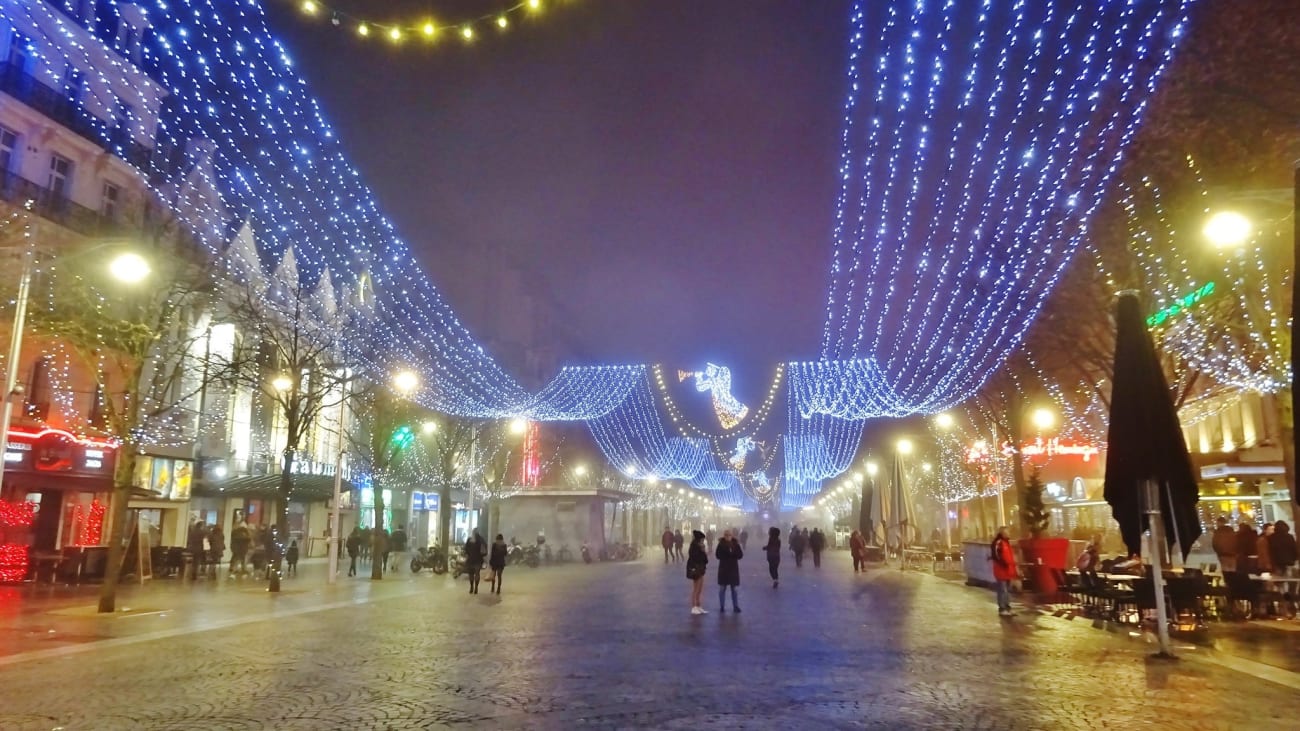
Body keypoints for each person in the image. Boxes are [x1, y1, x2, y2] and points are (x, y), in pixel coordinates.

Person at [990, 526, 1016, 617]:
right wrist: (1004, 564)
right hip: (1001, 570)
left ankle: (1007, 607)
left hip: (1007, 570)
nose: (1009, 534)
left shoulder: (1006, 542)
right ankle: (1002, 608)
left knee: (1007, 590)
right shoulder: (999, 542)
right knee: (1002, 590)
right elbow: (996, 555)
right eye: (1007, 532)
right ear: (1003, 533)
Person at [715, 530, 743, 613]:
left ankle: (735, 606)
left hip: (733, 569)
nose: (727, 537)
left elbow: (740, 555)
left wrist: (733, 554)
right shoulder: (720, 544)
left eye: (729, 535)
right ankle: (722, 606)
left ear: (732, 536)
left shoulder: (735, 544)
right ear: (724, 536)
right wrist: (726, 554)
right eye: (726, 535)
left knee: (734, 589)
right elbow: (717, 555)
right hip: (723, 569)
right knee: (722, 589)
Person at [686, 530, 709, 615]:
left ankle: (698, 606)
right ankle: (694, 607)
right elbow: (697, 558)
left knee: (700, 589)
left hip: (701, 569)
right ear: (699, 539)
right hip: (696, 569)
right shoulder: (694, 547)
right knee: (696, 589)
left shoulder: (700, 547)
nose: (703, 541)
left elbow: (706, 560)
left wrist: (703, 552)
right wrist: (702, 552)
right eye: (702, 539)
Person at [465, 530, 486, 594]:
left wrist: (469, 554)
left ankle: (471, 587)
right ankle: (476, 588)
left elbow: (466, 549)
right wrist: (481, 555)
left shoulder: (469, 540)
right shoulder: (481, 540)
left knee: (471, 574)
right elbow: (485, 549)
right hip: (478, 560)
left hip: (471, 559)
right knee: (477, 573)